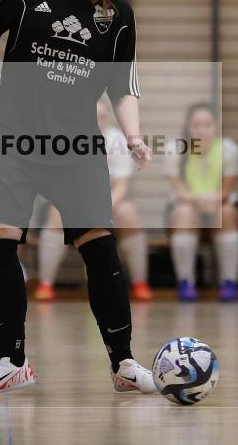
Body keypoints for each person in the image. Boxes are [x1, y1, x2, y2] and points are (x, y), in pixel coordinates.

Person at [0, 0, 156, 396]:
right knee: (0, 238)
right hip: (12, 137)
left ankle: (124, 364)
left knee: (99, 246)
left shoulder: (118, 13)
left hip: (75, 147)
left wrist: (132, 133)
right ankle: (11, 362)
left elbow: (124, 86)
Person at [34, 98, 153, 302]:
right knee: (57, 214)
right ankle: (46, 284)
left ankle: (140, 284)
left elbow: (121, 186)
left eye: (102, 117)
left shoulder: (116, 141)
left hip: (107, 202)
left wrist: (102, 209)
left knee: (129, 214)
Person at [165, 103, 238, 302]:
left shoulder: (228, 150)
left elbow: (227, 189)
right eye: (196, 124)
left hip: (220, 206)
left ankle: (229, 282)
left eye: (207, 124)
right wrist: (199, 200)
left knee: (225, 212)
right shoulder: (175, 151)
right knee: (185, 213)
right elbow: (180, 191)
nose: (202, 129)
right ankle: (186, 282)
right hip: (188, 208)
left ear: (216, 126)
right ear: (188, 127)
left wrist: (214, 200)